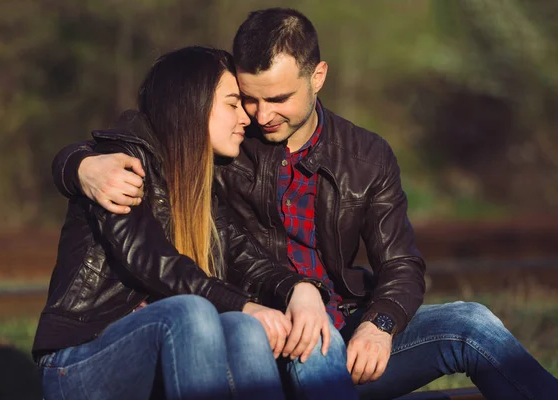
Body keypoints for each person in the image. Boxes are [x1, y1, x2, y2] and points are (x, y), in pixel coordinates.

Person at [50, 8, 558, 400]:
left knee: (471, 322)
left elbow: (401, 265)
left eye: (278, 99)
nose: (258, 115)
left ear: (318, 78)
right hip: (273, 334)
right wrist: (77, 165)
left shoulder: (367, 156)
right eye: (246, 99)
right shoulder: (225, 148)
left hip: (345, 323)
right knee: (317, 345)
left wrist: (380, 326)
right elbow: (144, 137)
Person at [33, 46, 353, 400]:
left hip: (153, 352)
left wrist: (300, 289)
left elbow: (243, 255)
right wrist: (244, 305)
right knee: (192, 312)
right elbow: (153, 260)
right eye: (232, 104)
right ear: (192, 103)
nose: (246, 118)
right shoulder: (120, 167)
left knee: (244, 330)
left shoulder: (200, 185)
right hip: (77, 363)